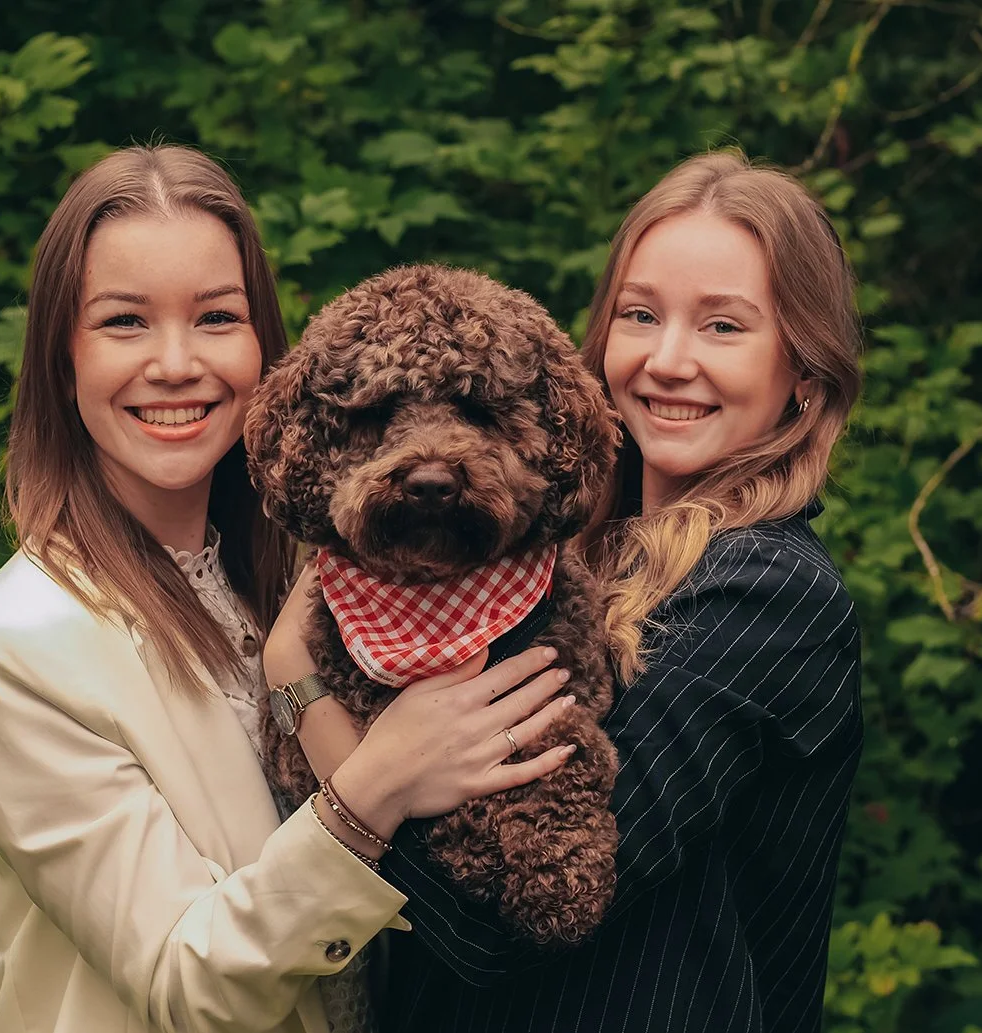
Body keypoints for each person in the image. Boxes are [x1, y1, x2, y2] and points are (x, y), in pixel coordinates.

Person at [0, 144, 573, 1033]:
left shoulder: (322, 590)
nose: (175, 362)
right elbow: (185, 983)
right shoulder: (17, 647)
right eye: (124, 321)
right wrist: (378, 778)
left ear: (266, 351)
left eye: (215, 317)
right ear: (61, 357)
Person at [264, 150, 865, 1032]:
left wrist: (301, 688)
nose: (669, 360)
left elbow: (500, 934)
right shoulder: (547, 566)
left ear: (804, 372)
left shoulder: (766, 596)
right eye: (641, 314)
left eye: (722, 326)